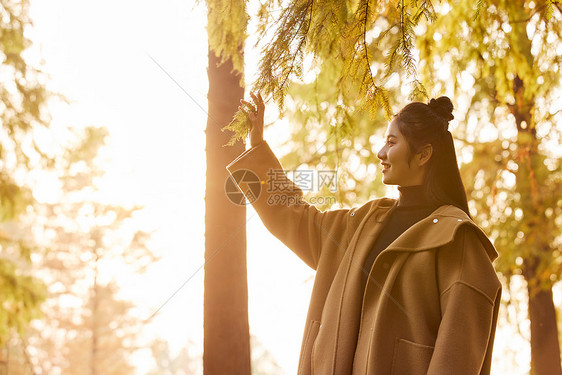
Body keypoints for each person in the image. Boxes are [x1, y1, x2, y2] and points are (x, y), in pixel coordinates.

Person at [227, 92, 501, 375]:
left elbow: (458, 357)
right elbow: (295, 217)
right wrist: (258, 148)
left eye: (392, 142)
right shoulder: (364, 223)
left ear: (424, 154)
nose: (381, 152)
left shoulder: (458, 239)